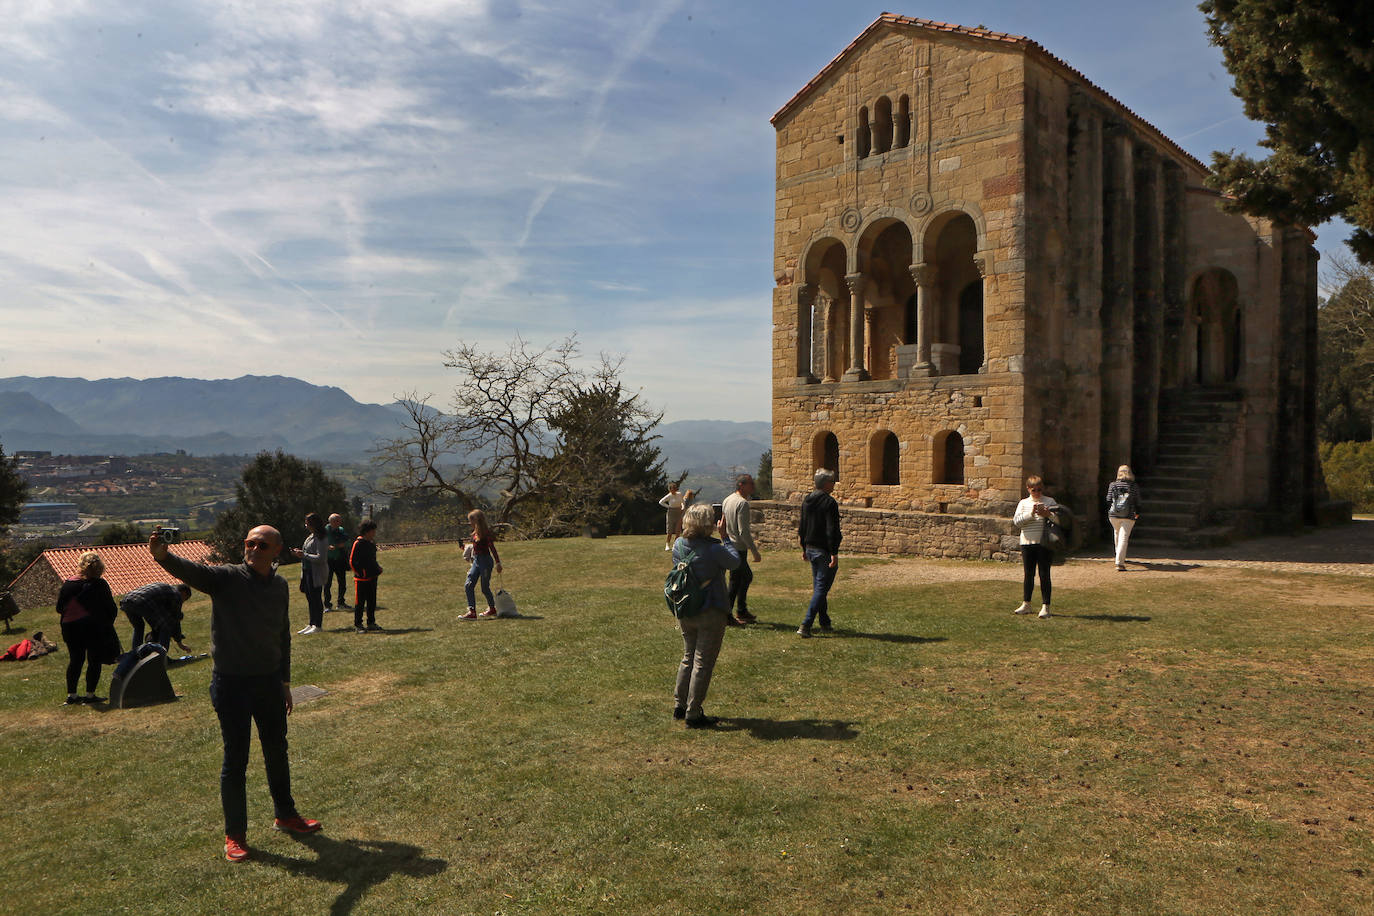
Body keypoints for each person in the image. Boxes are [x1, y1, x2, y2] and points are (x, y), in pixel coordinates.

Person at [149, 525, 321, 862]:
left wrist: (285, 682)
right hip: (231, 684)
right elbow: (193, 571)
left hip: (269, 682)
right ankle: (235, 835)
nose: (253, 549)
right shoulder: (226, 578)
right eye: (249, 543)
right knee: (235, 760)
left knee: (277, 750)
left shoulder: (280, 585)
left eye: (261, 545)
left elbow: (282, 635)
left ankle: (285, 814)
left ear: (276, 550)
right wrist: (163, 556)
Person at [671, 502, 740, 728]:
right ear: (707, 524)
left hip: (686, 607)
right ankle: (694, 712)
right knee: (703, 661)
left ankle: (679, 705)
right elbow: (735, 563)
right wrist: (726, 538)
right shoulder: (714, 549)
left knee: (688, 656)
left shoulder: (679, 545)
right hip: (710, 610)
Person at [56, 551, 119, 705]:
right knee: (94, 660)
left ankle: (72, 695)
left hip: (70, 628)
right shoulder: (100, 584)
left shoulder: (69, 584)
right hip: (93, 627)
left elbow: (59, 608)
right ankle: (90, 695)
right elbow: (111, 608)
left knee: (75, 660)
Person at [797, 468, 842, 637]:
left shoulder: (807, 500)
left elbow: (802, 526)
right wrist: (834, 552)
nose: (834, 485)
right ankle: (806, 624)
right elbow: (832, 529)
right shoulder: (829, 503)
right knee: (821, 588)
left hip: (810, 548)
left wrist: (803, 547)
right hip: (823, 550)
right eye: (832, 481)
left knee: (819, 587)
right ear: (825, 483)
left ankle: (824, 622)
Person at [1013, 475, 1059, 619]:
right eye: (1034, 490)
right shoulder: (1023, 503)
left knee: (1044, 574)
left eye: (1039, 490)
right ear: (1028, 489)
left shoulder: (1050, 501)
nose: (1037, 493)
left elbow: (1059, 520)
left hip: (1044, 543)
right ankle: (1026, 603)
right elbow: (1017, 522)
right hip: (1027, 543)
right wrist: (1031, 514)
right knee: (1028, 574)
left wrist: (1048, 514)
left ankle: (1046, 606)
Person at [722, 473, 761, 624]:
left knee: (738, 579)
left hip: (729, 545)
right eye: (750, 483)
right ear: (741, 485)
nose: (753, 486)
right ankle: (730, 614)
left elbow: (723, 523)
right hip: (739, 547)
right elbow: (743, 531)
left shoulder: (727, 500)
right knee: (739, 579)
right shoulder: (742, 503)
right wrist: (755, 551)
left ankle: (740, 611)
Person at [120, 582, 193, 652]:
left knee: (139, 626)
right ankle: (161, 657)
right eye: (185, 599)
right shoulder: (176, 595)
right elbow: (175, 619)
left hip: (127, 601)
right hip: (143, 602)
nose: (183, 601)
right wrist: (180, 643)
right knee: (165, 627)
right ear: (183, 593)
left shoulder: (166, 588)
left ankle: (135, 655)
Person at [459, 509, 503, 620]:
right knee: (468, 585)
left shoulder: (485, 534)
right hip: (477, 561)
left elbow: (492, 548)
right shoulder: (475, 533)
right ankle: (472, 611)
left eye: (471, 520)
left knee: (484, 587)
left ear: (477, 520)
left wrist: (498, 562)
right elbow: (475, 547)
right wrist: (464, 548)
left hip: (485, 562)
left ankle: (492, 609)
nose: (470, 523)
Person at [291, 513, 329, 635]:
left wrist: (304, 555)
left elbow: (321, 558)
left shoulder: (321, 538)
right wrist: (300, 553)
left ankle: (318, 625)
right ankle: (311, 623)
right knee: (310, 598)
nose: (306, 525)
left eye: (307, 523)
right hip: (307, 571)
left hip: (316, 573)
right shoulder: (311, 536)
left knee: (316, 598)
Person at [1105, 464, 1142, 571]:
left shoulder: (1113, 485)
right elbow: (1138, 501)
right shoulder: (1133, 486)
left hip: (1114, 515)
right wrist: (1137, 513)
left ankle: (1118, 556)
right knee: (1123, 538)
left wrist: (1111, 510)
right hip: (1128, 515)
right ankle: (1119, 562)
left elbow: (1108, 499)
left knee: (1117, 534)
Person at [348, 520, 383, 632]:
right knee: (360, 602)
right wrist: (360, 573)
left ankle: (371, 622)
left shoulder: (371, 544)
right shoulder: (358, 543)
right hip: (361, 579)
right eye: (373, 531)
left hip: (372, 577)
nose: (374, 533)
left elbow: (372, 560)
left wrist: (377, 568)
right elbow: (352, 561)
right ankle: (358, 624)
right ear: (367, 531)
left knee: (372, 601)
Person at [323, 513, 351, 611]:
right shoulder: (324, 531)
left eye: (340, 521)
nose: (339, 523)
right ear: (331, 522)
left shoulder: (341, 530)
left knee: (342, 582)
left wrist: (343, 544)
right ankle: (327, 605)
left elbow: (348, 541)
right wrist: (327, 547)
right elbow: (319, 544)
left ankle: (341, 603)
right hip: (328, 560)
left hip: (339, 559)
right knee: (327, 583)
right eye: (337, 521)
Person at [658, 483, 686, 551]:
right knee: (670, 530)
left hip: (679, 512)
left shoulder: (679, 494)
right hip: (671, 513)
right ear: (670, 490)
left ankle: (675, 545)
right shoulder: (669, 496)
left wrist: (683, 507)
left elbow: (683, 502)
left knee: (677, 530)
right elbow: (661, 502)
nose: (673, 491)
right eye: (671, 490)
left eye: (674, 489)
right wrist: (668, 507)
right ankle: (667, 544)